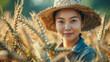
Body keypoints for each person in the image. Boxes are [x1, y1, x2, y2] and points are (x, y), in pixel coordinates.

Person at [37, 0, 101, 62]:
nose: (67, 28)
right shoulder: (50, 54)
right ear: (55, 24)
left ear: (82, 22)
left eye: (73, 20)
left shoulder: (88, 53)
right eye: (61, 21)